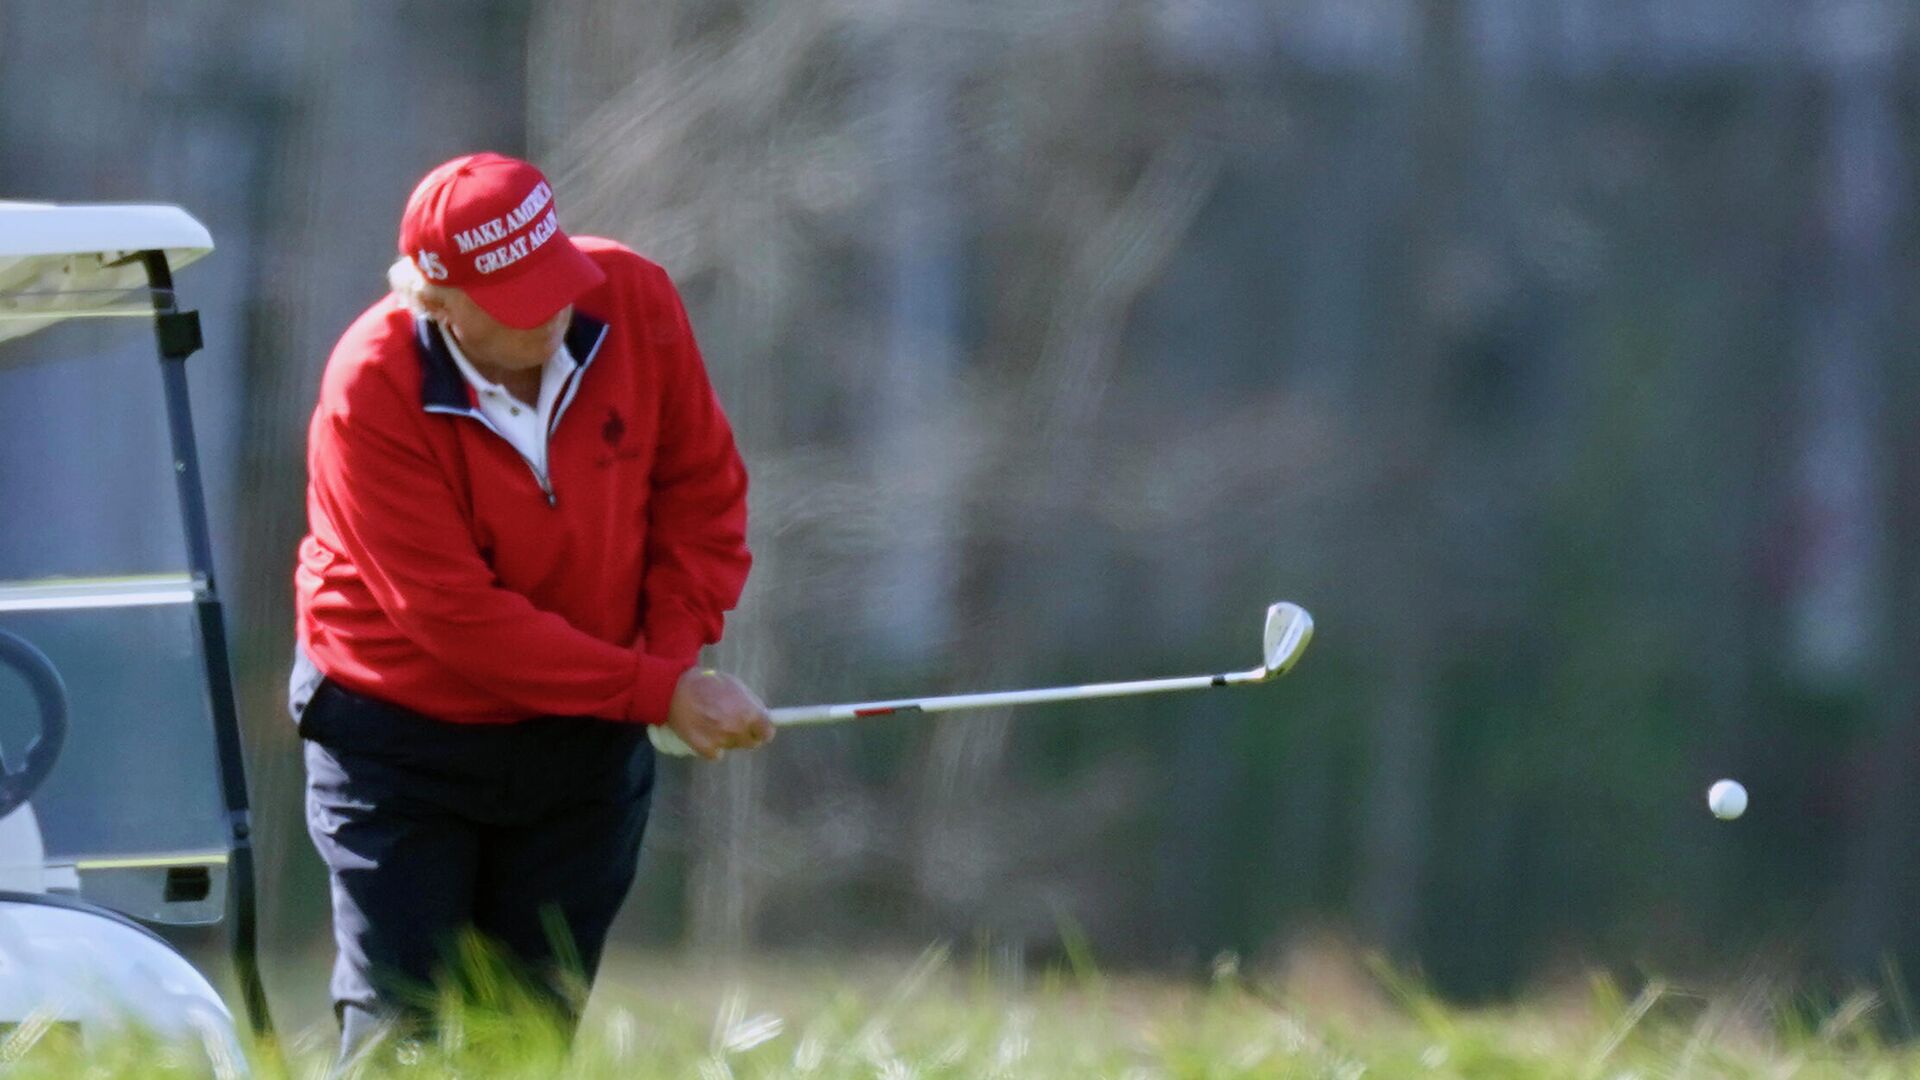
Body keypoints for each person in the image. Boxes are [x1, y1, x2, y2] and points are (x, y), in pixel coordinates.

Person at [288, 151, 773, 1057]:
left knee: (525, 1039)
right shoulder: (371, 386)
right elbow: (455, 618)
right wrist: (655, 693)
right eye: (515, 298)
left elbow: (701, 500)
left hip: (581, 736)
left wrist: (666, 663)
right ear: (436, 301)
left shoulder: (631, 299)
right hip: (401, 737)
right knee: (403, 1034)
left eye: (554, 279)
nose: (550, 312)